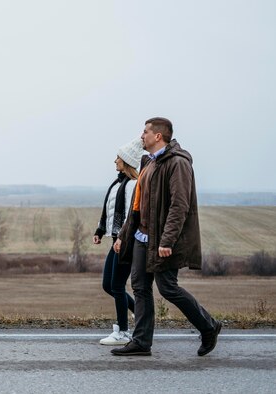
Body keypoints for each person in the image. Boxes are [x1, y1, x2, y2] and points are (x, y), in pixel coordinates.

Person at [111, 117, 222, 357]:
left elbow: (179, 206)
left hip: (162, 241)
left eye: (145, 132)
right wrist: (123, 235)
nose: (141, 136)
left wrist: (167, 241)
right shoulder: (149, 163)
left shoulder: (177, 163)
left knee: (168, 288)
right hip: (142, 237)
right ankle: (141, 342)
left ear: (158, 136)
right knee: (140, 287)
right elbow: (137, 206)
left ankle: (209, 326)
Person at [94, 138, 145, 345]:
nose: (115, 161)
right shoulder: (118, 183)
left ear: (126, 161)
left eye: (118, 158)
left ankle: (123, 332)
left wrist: (123, 238)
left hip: (126, 243)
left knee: (116, 285)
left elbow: (130, 216)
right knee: (109, 285)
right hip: (116, 241)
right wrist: (100, 230)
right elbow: (110, 210)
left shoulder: (133, 185)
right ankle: (141, 315)